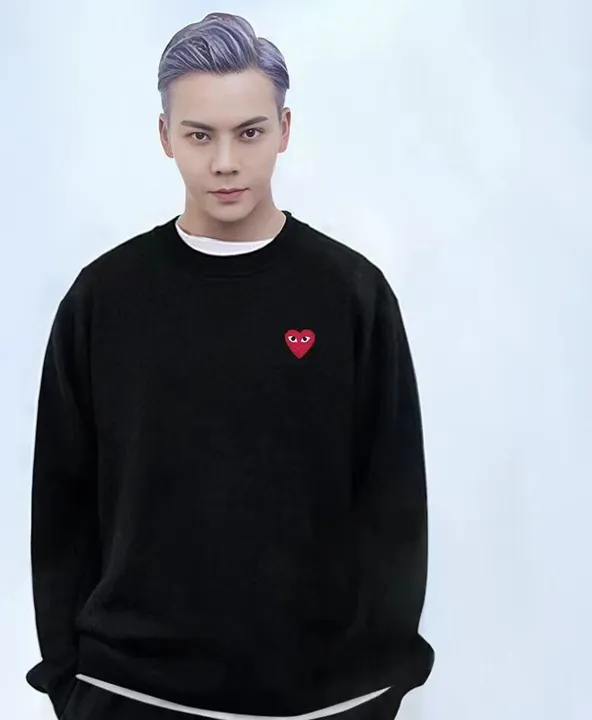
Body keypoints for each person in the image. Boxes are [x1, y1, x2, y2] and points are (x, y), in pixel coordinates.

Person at [25, 12, 434, 720]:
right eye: (199, 135)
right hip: (131, 693)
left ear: (284, 129)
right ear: (165, 137)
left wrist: (376, 687)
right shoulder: (105, 299)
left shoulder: (350, 295)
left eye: (248, 133)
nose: (224, 163)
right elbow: (60, 508)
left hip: (320, 701)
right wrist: (73, 680)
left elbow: (394, 502)